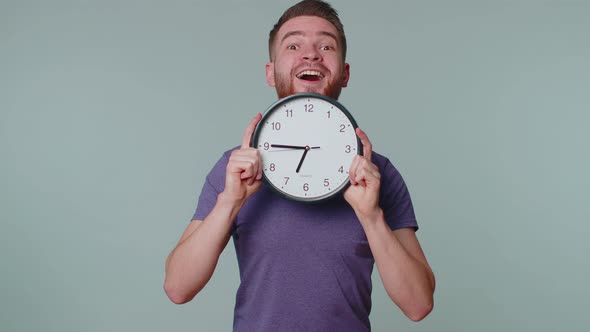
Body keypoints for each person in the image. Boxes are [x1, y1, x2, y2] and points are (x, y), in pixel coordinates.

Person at [164, 1, 435, 330]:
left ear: (344, 73)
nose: (311, 55)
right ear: (270, 72)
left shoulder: (377, 174)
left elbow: (418, 304)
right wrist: (230, 201)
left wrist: (371, 217)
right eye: (293, 45)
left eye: (326, 45)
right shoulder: (234, 169)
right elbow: (178, 288)